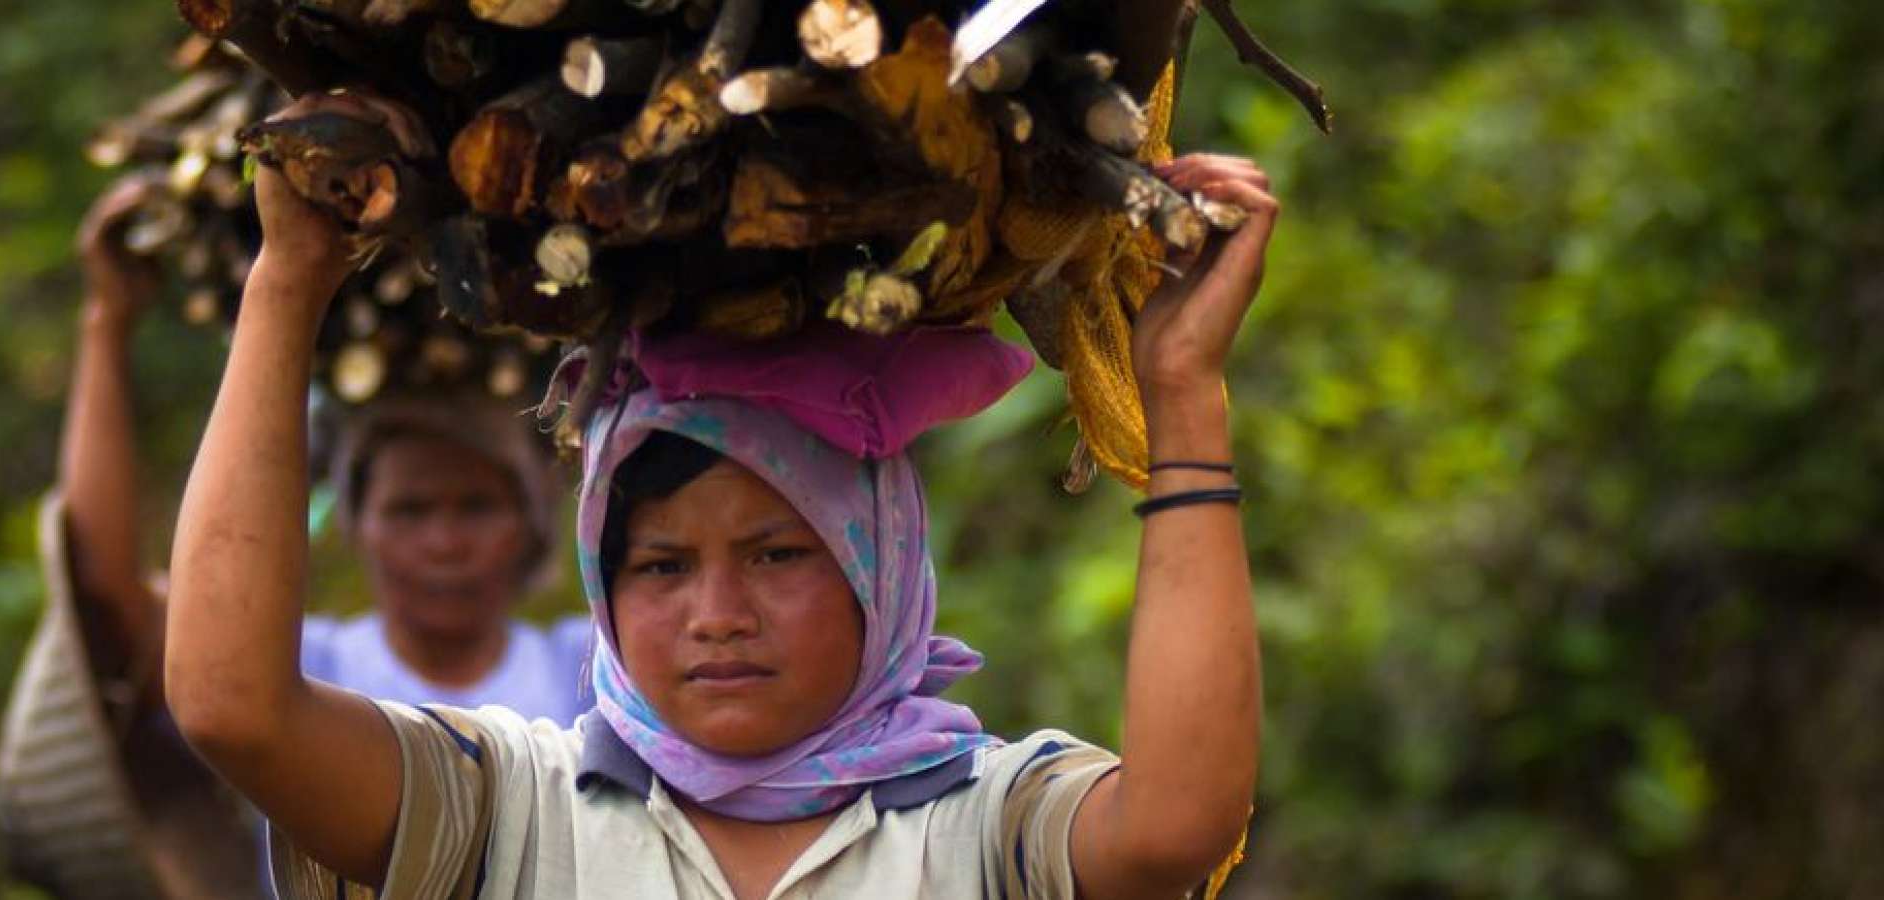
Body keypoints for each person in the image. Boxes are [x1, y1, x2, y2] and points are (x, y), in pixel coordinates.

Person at [166, 91, 1269, 899]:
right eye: (660, 565)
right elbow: (233, 709)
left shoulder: (984, 827)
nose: (717, 614)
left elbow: (1176, 826)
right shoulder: (512, 816)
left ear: (875, 572)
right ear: (599, 581)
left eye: (779, 553)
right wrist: (286, 286)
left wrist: (1179, 396)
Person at [0, 172, 590, 900]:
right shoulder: (293, 668)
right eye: (409, 510)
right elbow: (104, 603)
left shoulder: (584, 672)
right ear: (357, 524)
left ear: (530, 526)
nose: (443, 541)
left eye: (475, 508)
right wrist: (107, 321)